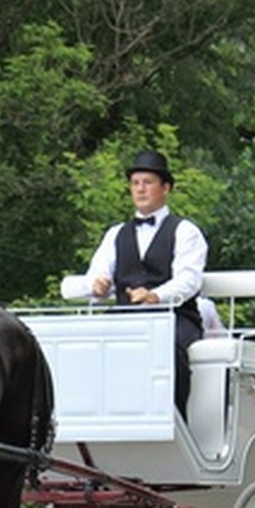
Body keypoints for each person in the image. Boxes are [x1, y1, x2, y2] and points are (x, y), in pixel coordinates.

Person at [84, 149, 209, 417]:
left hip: (175, 317)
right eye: (135, 183)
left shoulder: (186, 231)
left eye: (148, 182)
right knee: (88, 343)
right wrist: (98, 286)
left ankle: (175, 419)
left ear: (166, 188)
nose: (140, 189)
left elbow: (188, 280)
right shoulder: (116, 234)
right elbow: (96, 275)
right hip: (126, 317)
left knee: (167, 346)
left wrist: (155, 296)